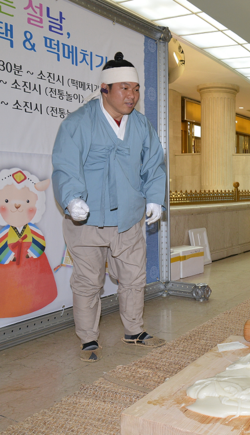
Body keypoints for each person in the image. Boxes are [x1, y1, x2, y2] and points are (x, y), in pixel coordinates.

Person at [52, 52, 167, 362]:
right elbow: (65, 164)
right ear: (104, 89)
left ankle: (134, 331)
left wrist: (154, 198)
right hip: (86, 219)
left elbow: (154, 164)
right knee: (88, 281)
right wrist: (72, 198)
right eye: (124, 88)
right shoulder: (78, 122)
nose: (132, 96)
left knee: (133, 276)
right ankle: (88, 338)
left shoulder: (140, 125)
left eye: (136, 89)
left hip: (127, 218)